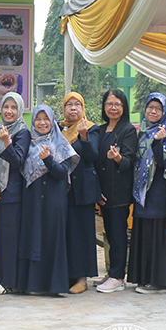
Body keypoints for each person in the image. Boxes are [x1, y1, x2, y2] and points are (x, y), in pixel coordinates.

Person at [17, 105, 77, 295]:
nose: (42, 123)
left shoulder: (61, 144)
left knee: (53, 239)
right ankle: (32, 285)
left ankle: (54, 286)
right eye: (38, 119)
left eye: (46, 119)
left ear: (52, 121)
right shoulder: (28, 144)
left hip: (54, 200)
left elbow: (62, 173)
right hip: (32, 199)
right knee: (33, 237)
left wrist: (49, 159)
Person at [127, 93, 166, 295]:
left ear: (164, 112)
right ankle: (143, 277)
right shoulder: (143, 132)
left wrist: (158, 142)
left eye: (158, 108)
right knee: (143, 232)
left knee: (157, 233)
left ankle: (159, 281)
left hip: (158, 191)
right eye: (150, 107)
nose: (153, 111)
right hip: (142, 192)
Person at [0, 92, 30, 295]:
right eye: (6, 107)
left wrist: (7, 143)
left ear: (20, 110)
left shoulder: (23, 132)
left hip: (12, 194)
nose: (9, 111)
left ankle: (10, 282)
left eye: (13, 107)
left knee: (10, 239)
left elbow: (18, 161)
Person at [94, 89, 138, 294]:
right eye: (109, 104)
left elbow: (129, 161)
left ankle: (118, 277)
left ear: (124, 107)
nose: (113, 108)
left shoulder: (128, 130)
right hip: (103, 192)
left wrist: (118, 158)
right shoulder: (100, 130)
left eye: (117, 104)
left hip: (119, 191)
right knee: (110, 233)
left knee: (119, 234)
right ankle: (113, 272)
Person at [60, 92, 99, 294]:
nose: (73, 108)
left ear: (83, 108)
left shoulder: (91, 128)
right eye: (69, 105)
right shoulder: (59, 129)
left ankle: (82, 279)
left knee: (82, 234)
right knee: (66, 233)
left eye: (77, 104)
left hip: (83, 190)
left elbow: (93, 155)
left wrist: (83, 137)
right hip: (63, 190)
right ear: (64, 108)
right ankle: (67, 276)